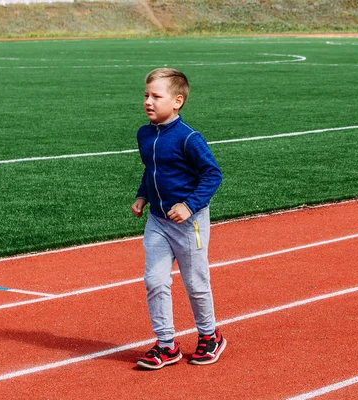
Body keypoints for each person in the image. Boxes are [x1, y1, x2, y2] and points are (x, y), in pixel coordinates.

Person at [131, 67, 226, 370]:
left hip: (188, 223)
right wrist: (142, 195)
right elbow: (152, 169)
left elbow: (213, 174)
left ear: (177, 101)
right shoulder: (144, 133)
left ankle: (210, 336)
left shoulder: (189, 139)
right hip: (158, 221)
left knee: (195, 283)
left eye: (156, 96)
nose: (148, 101)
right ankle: (166, 344)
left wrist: (189, 205)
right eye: (146, 95)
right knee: (155, 280)